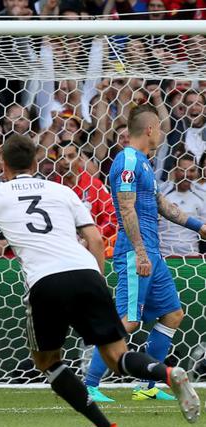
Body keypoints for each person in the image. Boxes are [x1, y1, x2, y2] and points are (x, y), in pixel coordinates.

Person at [0, 134, 200, 427]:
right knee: (118, 357)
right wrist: (98, 282)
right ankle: (167, 373)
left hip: (46, 282)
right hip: (86, 272)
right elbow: (97, 240)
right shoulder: (62, 191)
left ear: (2, 164)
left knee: (48, 362)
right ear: (36, 162)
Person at [85, 105, 206, 403]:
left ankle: (146, 384)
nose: (162, 133)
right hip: (136, 252)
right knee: (128, 321)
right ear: (150, 129)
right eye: (161, 128)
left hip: (154, 252)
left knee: (173, 314)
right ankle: (88, 384)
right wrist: (140, 253)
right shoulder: (127, 159)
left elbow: (161, 205)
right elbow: (126, 207)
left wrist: (198, 226)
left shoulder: (144, 163)